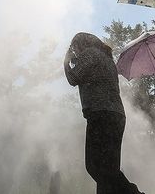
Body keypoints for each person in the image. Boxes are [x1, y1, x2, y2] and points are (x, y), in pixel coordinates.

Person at [64, 32, 144, 194]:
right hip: (115, 114)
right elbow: (89, 71)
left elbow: (73, 78)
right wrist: (76, 60)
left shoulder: (89, 53)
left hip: (100, 114)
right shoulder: (105, 58)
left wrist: (66, 62)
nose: (74, 51)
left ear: (81, 44)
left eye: (74, 47)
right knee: (108, 167)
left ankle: (133, 193)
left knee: (95, 166)